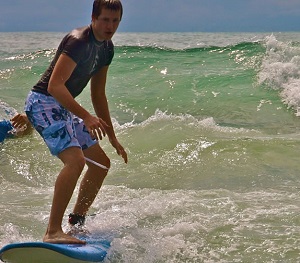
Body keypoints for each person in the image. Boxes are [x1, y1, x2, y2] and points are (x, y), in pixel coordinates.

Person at [24, 0, 127, 244]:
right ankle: (52, 232)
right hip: (43, 103)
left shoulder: (107, 48)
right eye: (105, 20)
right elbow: (55, 86)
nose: (110, 26)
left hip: (62, 107)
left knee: (101, 164)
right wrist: (86, 117)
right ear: (93, 17)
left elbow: (98, 94)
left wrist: (112, 136)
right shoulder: (78, 41)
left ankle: (76, 224)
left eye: (115, 21)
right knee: (75, 162)